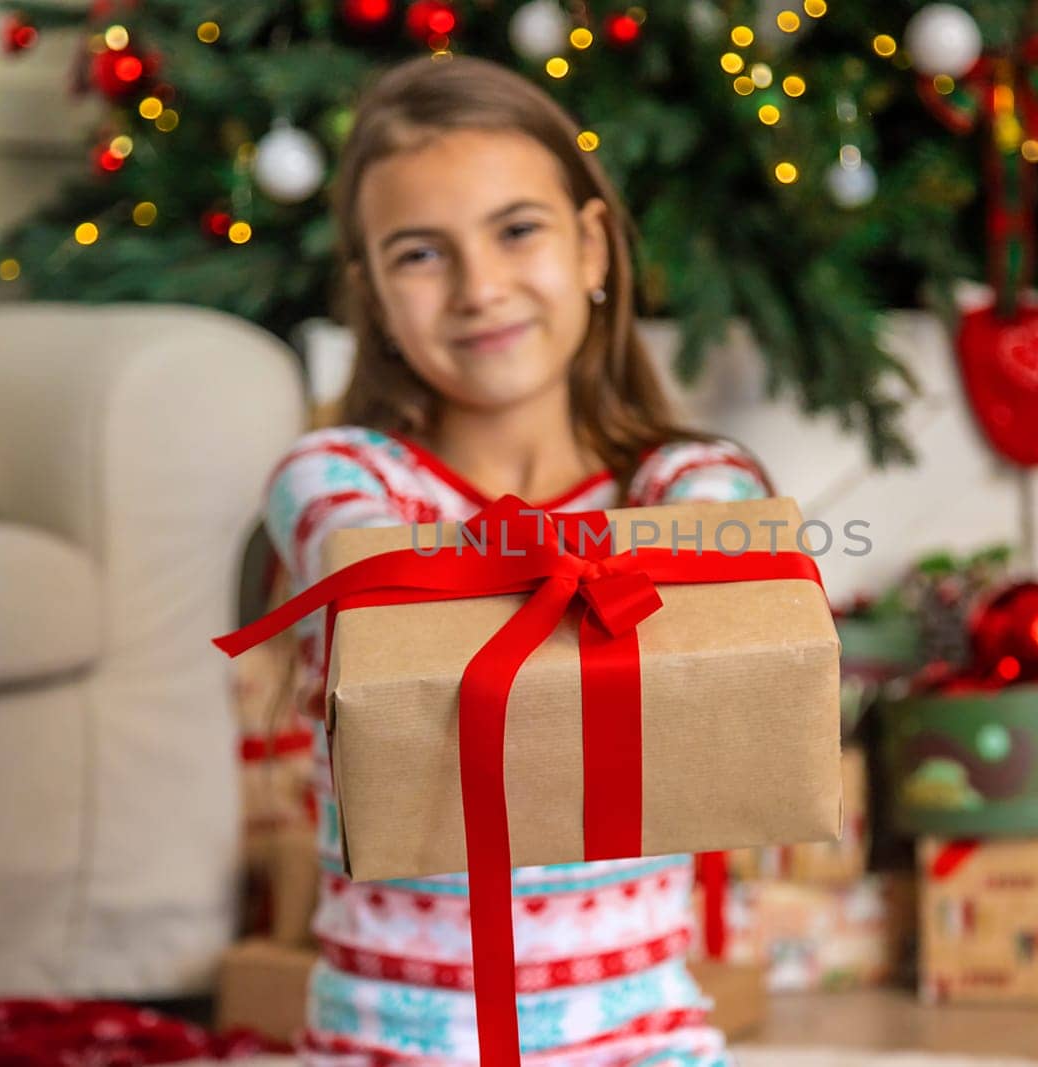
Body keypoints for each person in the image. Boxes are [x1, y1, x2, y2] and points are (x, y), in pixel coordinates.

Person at [262, 55, 775, 1066]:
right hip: (385, 1046)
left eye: (516, 230)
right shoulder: (334, 478)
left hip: (640, 1038)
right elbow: (379, 577)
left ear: (590, 245)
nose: (480, 287)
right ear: (371, 296)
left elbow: (725, 542)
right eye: (420, 254)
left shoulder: (689, 480)